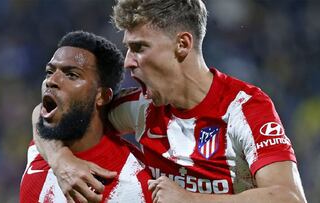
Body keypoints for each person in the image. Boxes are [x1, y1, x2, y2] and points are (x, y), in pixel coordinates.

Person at [33, 1, 308, 202]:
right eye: (128, 48)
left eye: (139, 48)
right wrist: (61, 161)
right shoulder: (142, 107)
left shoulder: (244, 107)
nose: (128, 62)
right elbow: (51, 112)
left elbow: (289, 196)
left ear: (183, 45)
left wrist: (193, 200)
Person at [20, 30, 152, 203]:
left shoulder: (133, 185)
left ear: (102, 96)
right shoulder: (42, 145)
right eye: (50, 71)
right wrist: (60, 158)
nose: (51, 81)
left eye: (71, 75)